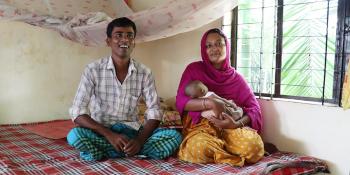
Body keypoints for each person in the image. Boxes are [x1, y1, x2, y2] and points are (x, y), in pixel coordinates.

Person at [67, 17, 182, 161]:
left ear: (134, 42)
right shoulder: (93, 70)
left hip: (132, 134)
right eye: (118, 35)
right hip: (102, 132)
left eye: (129, 36)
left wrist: (139, 141)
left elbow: (155, 112)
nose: (125, 40)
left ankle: (110, 151)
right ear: (108, 41)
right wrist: (110, 135)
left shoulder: (144, 72)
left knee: (174, 136)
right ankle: (132, 152)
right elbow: (77, 111)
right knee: (74, 136)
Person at [176, 28, 264, 166]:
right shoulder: (193, 70)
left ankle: (220, 152)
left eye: (218, 44)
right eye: (209, 45)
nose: (214, 49)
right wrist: (209, 103)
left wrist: (236, 124)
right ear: (204, 50)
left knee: (254, 146)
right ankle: (230, 157)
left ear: (227, 47)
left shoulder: (237, 79)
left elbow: (254, 109)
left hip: (231, 128)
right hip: (202, 127)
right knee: (199, 148)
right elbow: (181, 101)